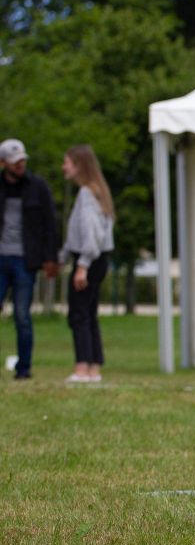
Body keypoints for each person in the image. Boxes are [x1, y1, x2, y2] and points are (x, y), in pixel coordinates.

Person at [0, 138, 59, 380]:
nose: (20, 165)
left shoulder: (38, 187)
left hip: (26, 261)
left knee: (22, 316)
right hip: (0, 259)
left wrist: (50, 258)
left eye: (22, 160)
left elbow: (50, 225)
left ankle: (24, 368)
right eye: (15, 162)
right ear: (3, 163)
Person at [59, 145, 115, 383]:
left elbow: (91, 235)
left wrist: (82, 266)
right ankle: (93, 368)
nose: (64, 167)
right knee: (89, 314)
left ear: (79, 165)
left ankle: (82, 368)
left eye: (67, 162)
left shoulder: (86, 194)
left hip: (90, 260)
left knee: (79, 314)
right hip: (98, 259)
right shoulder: (98, 192)